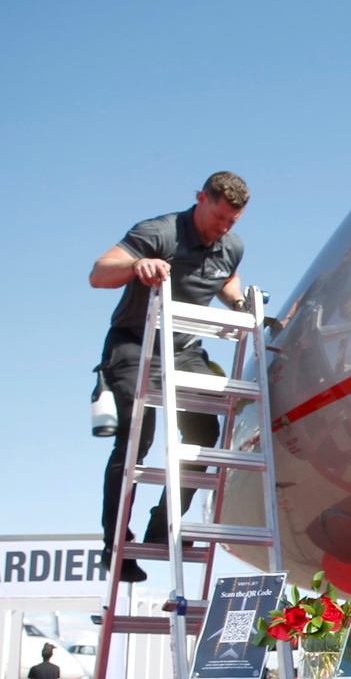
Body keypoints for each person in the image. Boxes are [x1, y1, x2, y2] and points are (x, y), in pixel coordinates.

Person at [89, 172, 250, 582]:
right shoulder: (159, 232)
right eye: (218, 218)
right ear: (200, 199)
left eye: (232, 221)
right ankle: (116, 546)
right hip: (135, 341)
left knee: (204, 433)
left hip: (183, 349)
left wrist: (240, 303)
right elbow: (99, 273)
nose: (224, 228)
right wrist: (134, 265)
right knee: (135, 440)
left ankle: (165, 527)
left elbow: (226, 280)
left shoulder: (230, 245)